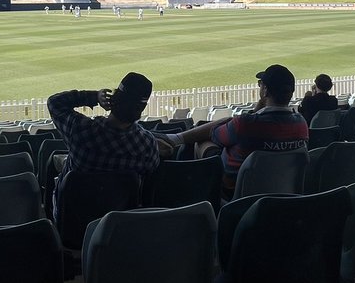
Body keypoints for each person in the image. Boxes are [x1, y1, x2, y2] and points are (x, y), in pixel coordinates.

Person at [163, 64, 308, 196]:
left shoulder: (245, 124)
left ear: (265, 90)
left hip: (235, 190)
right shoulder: (301, 124)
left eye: (261, 84)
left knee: (202, 142)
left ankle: (197, 195)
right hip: (282, 190)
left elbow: (215, 134)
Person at [48, 72, 172, 221]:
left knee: (53, 162)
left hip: (71, 224)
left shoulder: (81, 130)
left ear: (113, 99)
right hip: (116, 226)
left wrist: (94, 96)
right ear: (141, 108)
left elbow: (54, 102)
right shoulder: (147, 146)